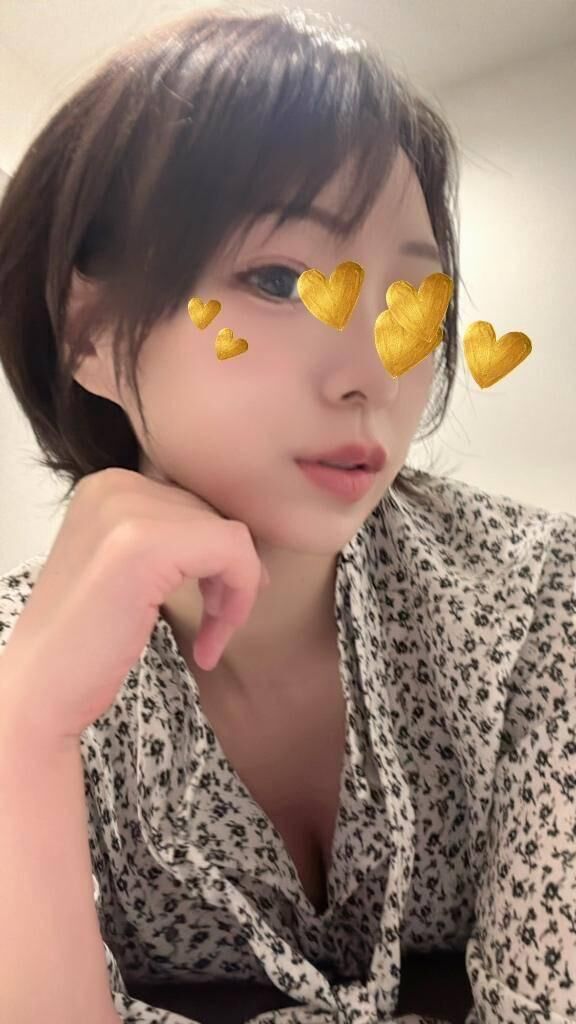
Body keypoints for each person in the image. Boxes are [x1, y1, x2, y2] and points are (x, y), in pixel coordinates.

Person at [0, 6, 575, 1024]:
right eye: (279, 279)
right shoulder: (21, 666)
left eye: (417, 303)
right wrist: (24, 740)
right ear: (88, 331)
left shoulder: (535, 600)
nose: (374, 376)